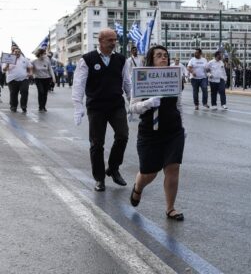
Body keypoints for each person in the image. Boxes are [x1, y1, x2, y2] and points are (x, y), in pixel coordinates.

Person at [127, 45, 186, 221]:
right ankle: (138, 187)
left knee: (173, 168)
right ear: (151, 60)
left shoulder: (174, 77)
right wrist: (148, 103)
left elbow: (179, 104)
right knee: (149, 173)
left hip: (173, 131)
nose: (163, 58)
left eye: (165, 55)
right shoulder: (141, 78)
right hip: (150, 132)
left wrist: (183, 126)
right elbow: (132, 107)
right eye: (159, 55)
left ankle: (170, 208)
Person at [72, 29, 131, 192]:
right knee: (97, 143)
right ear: (100, 41)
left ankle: (113, 168)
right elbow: (79, 84)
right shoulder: (87, 60)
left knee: (123, 136)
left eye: (115, 40)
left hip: (116, 105)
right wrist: (78, 107)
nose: (113, 43)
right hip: (96, 107)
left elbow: (127, 82)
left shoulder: (121, 60)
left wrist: (132, 102)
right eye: (110, 40)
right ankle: (99, 178)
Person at [2, 46, 32, 112]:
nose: (17, 53)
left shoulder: (24, 59)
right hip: (12, 80)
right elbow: (4, 70)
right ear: (13, 52)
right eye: (16, 52)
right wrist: (7, 64)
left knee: (24, 92)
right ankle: (13, 106)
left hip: (24, 79)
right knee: (13, 93)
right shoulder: (8, 59)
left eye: (19, 52)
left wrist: (30, 73)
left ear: (20, 52)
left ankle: (24, 106)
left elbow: (30, 67)